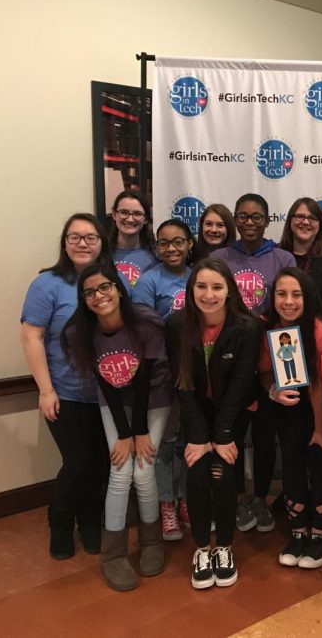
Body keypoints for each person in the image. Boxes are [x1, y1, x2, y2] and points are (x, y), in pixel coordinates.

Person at [62, 263, 172, 591]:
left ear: (119, 288)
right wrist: (123, 434)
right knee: (121, 470)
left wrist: (137, 431)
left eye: (105, 287)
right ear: (83, 299)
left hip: (152, 396)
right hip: (113, 400)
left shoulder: (146, 323)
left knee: (143, 468)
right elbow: (105, 383)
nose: (99, 296)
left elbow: (143, 380)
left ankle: (152, 543)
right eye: (90, 292)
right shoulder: (77, 332)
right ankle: (113, 554)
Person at [165, 258, 262, 590]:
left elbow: (239, 387)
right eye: (201, 286)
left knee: (222, 473)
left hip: (232, 414)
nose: (209, 294)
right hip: (197, 414)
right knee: (196, 471)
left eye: (217, 287)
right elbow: (183, 382)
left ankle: (224, 547)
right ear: (191, 290)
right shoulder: (177, 325)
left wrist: (221, 435)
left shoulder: (247, 327)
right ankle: (202, 549)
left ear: (229, 291)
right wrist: (199, 435)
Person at [20, 213, 110, 560]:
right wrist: (45, 390)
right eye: (75, 237)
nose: (83, 243)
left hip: (105, 395)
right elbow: (31, 337)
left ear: (102, 243)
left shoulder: (108, 282)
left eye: (90, 237)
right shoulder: (47, 285)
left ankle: (90, 522)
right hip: (65, 394)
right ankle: (59, 523)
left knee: (101, 464)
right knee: (78, 463)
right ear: (64, 243)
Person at [213, 193, 294, 532]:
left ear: (267, 220)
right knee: (230, 431)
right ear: (234, 219)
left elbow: (290, 305)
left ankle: (260, 497)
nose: (249, 223)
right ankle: (233, 499)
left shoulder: (282, 257)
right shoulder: (219, 257)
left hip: (269, 361)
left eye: (256, 217)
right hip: (230, 361)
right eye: (242, 217)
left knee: (264, 435)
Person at [261, 269, 322, 570]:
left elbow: (321, 382)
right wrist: (272, 390)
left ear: (308, 297)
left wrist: (320, 427)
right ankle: (298, 530)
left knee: (318, 459)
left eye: (296, 295)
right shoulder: (271, 327)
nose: (289, 301)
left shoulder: (320, 330)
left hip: (320, 408)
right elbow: (264, 369)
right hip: (287, 408)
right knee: (291, 461)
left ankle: (320, 533)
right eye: (282, 294)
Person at [132, 219, 199, 542]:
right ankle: (167, 504)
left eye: (178, 242)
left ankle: (186, 499)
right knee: (165, 445)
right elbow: (144, 330)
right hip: (162, 376)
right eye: (164, 243)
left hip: (195, 374)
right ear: (156, 247)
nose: (171, 248)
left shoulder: (198, 277)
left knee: (190, 440)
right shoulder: (148, 282)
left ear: (190, 244)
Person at [108, 189, 157, 289]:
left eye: (137, 214)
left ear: (146, 219)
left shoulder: (156, 255)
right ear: (114, 215)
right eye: (124, 212)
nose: (130, 219)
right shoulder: (101, 253)